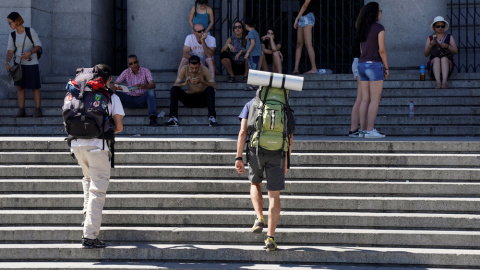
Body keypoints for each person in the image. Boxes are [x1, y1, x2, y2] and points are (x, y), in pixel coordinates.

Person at [71, 64, 125, 249]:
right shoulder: (110, 96)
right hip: (97, 146)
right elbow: (118, 127)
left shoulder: (79, 93)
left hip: (76, 144)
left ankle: (86, 221)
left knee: (87, 179)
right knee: (97, 191)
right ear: (108, 79)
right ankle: (90, 235)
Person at [235, 98, 293, 251]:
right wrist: (287, 158)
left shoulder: (250, 104)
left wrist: (238, 157)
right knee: (274, 195)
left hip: (256, 150)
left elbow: (243, 132)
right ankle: (270, 237)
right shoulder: (283, 104)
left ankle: (259, 217)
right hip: (278, 152)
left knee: (255, 183)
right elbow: (290, 134)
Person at [355, 1, 389, 139]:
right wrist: (386, 67)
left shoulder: (362, 27)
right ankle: (370, 130)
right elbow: (382, 50)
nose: (381, 13)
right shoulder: (379, 28)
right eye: (380, 11)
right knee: (375, 99)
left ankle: (362, 130)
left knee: (364, 99)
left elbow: (361, 50)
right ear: (375, 13)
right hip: (374, 65)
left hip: (362, 64)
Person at [5, 12, 43, 117]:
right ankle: (21, 110)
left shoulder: (30, 31)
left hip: (32, 63)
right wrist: (7, 62)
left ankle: (38, 109)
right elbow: (10, 51)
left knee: (35, 87)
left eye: (10, 23)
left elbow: (38, 45)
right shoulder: (12, 35)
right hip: (19, 65)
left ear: (17, 21)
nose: (9, 25)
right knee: (20, 87)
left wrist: (29, 53)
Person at [165, 55, 218, 127]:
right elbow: (175, 84)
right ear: (189, 65)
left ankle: (212, 118)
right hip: (189, 99)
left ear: (199, 65)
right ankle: (173, 118)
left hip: (202, 99)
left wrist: (202, 81)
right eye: (192, 68)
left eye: (196, 68)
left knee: (210, 89)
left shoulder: (204, 69)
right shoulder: (185, 68)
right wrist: (184, 84)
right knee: (174, 89)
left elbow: (215, 86)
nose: (194, 70)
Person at [112, 54, 158, 126]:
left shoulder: (146, 71)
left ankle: (153, 118)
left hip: (142, 99)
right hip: (129, 99)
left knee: (151, 91)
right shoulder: (126, 72)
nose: (133, 65)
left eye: (135, 62)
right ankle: (113, 119)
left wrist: (147, 86)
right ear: (129, 65)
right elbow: (114, 85)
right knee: (115, 93)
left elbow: (153, 85)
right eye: (131, 63)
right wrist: (117, 87)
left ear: (138, 62)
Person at [424, 16, 458, 89]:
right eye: (438, 26)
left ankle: (444, 82)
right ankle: (438, 82)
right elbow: (426, 54)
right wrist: (430, 45)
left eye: (442, 26)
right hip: (434, 67)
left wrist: (447, 46)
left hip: (447, 65)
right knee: (436, 59)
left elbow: (455, 51)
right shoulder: (430, 38)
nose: (440, 28)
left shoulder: (449, 37)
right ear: (434, 27)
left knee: (444, 58)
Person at [292, 0, 317, 75]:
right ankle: (296, 68)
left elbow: (305, 5)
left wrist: (297, 18)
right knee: (299, 44)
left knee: (307, 43)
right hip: (302, 17)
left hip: (308, 16)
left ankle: (314, 68)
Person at [244, 17, 262, 91]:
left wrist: (247, 52)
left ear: (246, 25)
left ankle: (253, 85)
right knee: (255, 68)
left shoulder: (250, 33)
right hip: (256, 54)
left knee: (252, 69)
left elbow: (253, 43)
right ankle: (255, 84)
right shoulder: (254, 32)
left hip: (253, 54)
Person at [348, 57, 363, 137]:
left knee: (360, 98)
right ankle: (354, 129)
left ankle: (354, 129)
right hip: (362, 62)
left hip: (358, 62)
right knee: (361, 98)